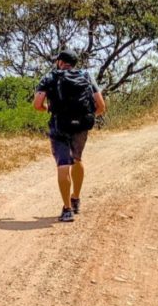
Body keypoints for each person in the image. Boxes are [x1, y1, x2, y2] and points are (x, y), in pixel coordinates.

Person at [33, 50, 107, 223]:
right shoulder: (86, 75)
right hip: (81, 126)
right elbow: (101, 106)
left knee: (63, 166)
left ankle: (67, 210)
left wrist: (48, 109)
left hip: (59, 125)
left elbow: (37, 104)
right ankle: (76, 199)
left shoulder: (50, 77)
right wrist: (86, 117)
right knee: (77, 159)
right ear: (74, 63)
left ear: (60, 62)